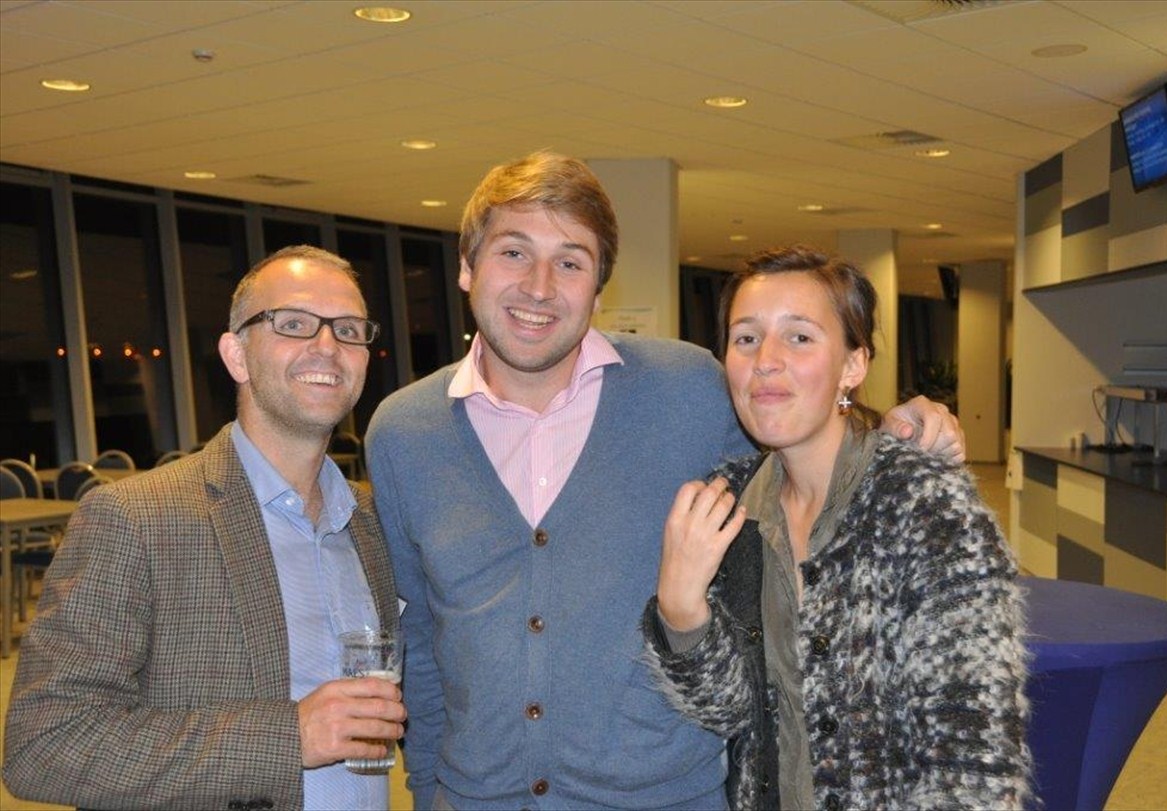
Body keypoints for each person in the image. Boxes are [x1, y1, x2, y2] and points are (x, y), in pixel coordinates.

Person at [365, 152, 964, 810]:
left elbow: (798, 448)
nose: (539, 286)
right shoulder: (403, 433)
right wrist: (429, 789)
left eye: (570, 262)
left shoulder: (688, 390)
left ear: (599, 289)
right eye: (513, 253)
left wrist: (892, 430)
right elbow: (421, 641)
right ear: (466, 266)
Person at [4, 246, 407, 811]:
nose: (327, 345)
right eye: (293, 324)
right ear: (236, 355)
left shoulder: (371, 521)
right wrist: (289, 737)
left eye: (348, 329)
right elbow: (44, 745)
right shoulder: (135, 519)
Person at [643, 246, 1032, 811]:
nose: (765, 360)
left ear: (853, 365)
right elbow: (731, 714)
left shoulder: (923, 506)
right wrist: (681, 609)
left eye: (799, 337)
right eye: (746, 338)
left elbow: (974, 763)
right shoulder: (729, 508)